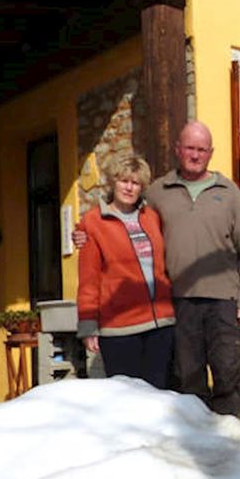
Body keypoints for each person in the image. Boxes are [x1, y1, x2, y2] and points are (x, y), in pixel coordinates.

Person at [74, 122, 240, 416]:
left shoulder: (228, 191)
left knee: (227, 370)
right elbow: (113, 230)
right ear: (177, 149)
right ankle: (194, 441)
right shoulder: (158, 192)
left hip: (222, 299)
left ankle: (226, 441)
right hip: (177, 302)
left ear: (210, 153)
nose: (195, 155)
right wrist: (82, 231)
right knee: (187, 377)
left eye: (201, 149)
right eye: (189, 148)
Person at [77, 157, 176, 388]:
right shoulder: (93, 223)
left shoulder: (152, 217)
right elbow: (89, 280)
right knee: (127, 401)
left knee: (159, 398)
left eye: (136, 183)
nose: (129, 187)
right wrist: (88, 325)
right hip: (119, 328)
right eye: (124, 181)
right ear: (114, 182)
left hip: (160, 326)